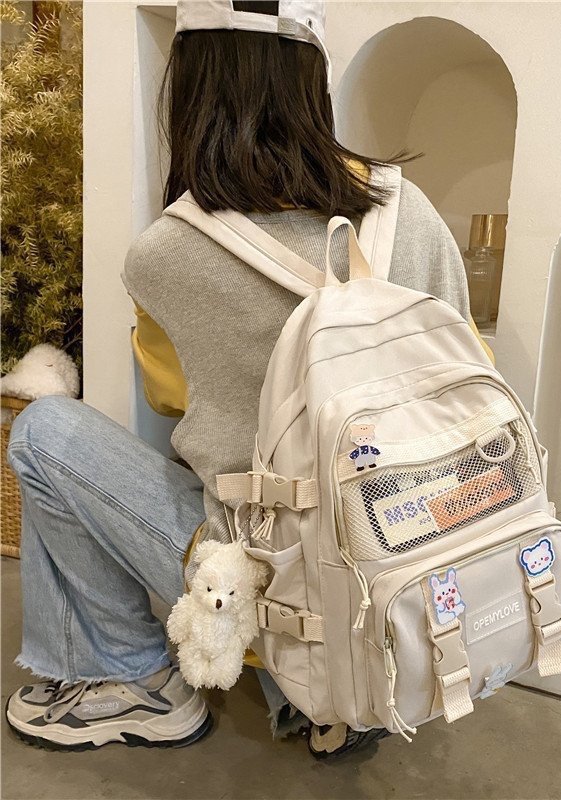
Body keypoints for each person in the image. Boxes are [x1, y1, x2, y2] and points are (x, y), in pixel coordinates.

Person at [5, 0, 490, 758]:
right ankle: (334, 691)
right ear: (312, 80)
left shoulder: (166, 254)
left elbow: (169, 397)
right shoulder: (410, 209)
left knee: (44, 431)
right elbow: (470, 372)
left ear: (193, 86)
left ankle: (128, 680)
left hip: (271, 583)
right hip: (410, 569)